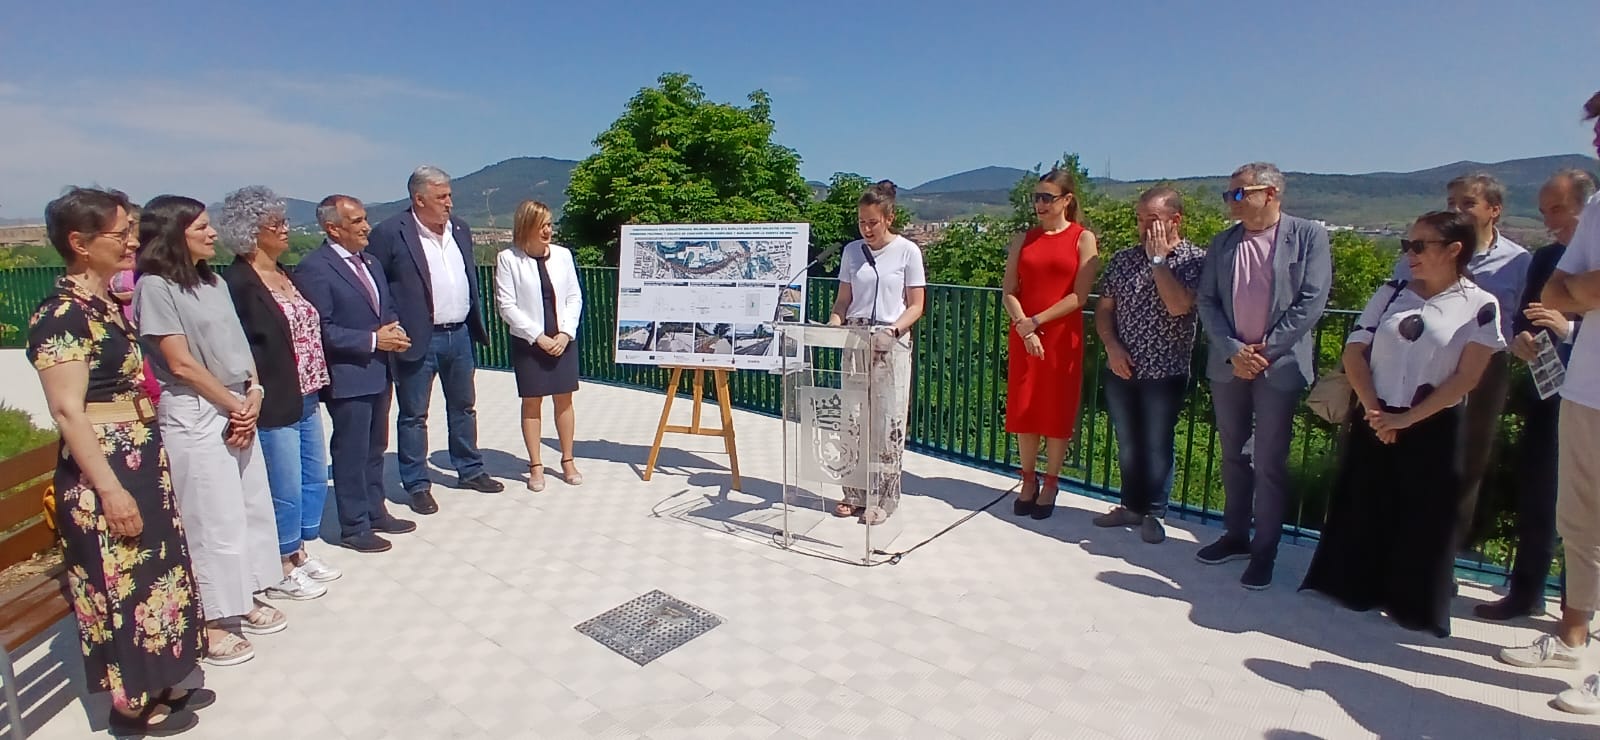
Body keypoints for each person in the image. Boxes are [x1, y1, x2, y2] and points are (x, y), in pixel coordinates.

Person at [28, 187, 208, 736]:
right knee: (119, 582)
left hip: (140, 459)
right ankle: (128, 704)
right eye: (120, 233)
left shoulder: (106, 303)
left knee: (155, 572)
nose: (133, 241)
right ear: (80, 243)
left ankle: (161, 673)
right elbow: (68, 410)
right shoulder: (60, 315)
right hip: (103, 469)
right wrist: (109, 488)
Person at [1300, 211, 1504, 636]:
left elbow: (1468, 377)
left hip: (1434, 422)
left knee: (1425, 515)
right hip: (1376, 415)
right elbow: (1355, 350)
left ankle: (1412, 603)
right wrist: (1376, 410)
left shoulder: (1480, 306)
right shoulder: (1392, 292)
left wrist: (1408, 418)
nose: (1410, 254)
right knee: (1367, 501)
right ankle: (1355, 587)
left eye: (1420, 245)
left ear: (1454, 250)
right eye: (1407, 245)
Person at [134, 195, 282, 667]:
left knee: (249, 506)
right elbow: (179, 362)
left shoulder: (212, 281)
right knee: (210, 517)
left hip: (238, 400)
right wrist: (233, 405)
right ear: (173, 234)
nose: (212, 233)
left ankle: (244, 595)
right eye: (200, 227)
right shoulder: (155, 287)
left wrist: (252, 394)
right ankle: (212, 619)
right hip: (197, 410)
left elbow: (239, 344)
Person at [1500, 91, 1600, 715]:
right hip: (1586, 390)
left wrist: (1579, 292)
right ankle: (1571, 636)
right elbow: (1561, 288)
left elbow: (1575, 290)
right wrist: (1579, 292)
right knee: (1580, 524)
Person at [1194, 162, 1332, 590]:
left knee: (1269, 461)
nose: (1230, 201)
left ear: (1269, 194)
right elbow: (1207, 301)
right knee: (1233, 455)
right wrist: (1235, 351)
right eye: (1228, 194)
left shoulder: (1308, 235)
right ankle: (1235, 535)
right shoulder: (1224, 243)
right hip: (1229, 364)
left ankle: (1265, 549)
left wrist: (1264, 352)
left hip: (1279, 366)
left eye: (1238, 193)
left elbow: (1311, 301)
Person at [1477, 169, 1594, 621]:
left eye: (1558, 210)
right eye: (1545, 212)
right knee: (1540, 496)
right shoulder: (1545, 260)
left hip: (1594, 396)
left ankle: (1580, 610)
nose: (1550, 223)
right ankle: (1526, 593)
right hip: (1549, 393)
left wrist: (1571, 329)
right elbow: (1527, 319)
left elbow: (1571, 324)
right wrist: (1523, 343)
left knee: (1590, 512)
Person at [1391, 173, 1529, 550]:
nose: (1456, 209)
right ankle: (1400, 551)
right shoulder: (1418, 253)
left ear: (1493, 211)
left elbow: (1520, 319)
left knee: (1468, 463)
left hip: (1484, 370)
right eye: (1451, 201)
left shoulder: (1518, 262)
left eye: (1467, 202)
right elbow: (1394, 304)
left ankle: (1442, 558)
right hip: (1423, 364)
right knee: (1413, 452)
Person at [219, 186, 342, 600]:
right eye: (277, 224)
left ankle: (299, 551)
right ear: (252, 232)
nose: (286, 229)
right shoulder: (238, 282)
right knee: (283, 486)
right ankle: (279, 564)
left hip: (307, 392)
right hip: (274, 398)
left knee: (311, 475)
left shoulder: (284, 272)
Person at [366, 165, 504, 515]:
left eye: (450, 195)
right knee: (414, 414)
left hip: (458, 333)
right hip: (417, 339)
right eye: (441, 197)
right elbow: (377, 282)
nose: (449, 202)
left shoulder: (459, 229)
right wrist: (390, 322)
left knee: (463, 406)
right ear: (419, 199)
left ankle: (469, 468)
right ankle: (416, 483)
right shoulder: (391, 232)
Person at [294, 195, 416, 554]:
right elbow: (322, 329)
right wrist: (374, 339)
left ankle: (375, 509)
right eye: (357, 221)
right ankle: (353, 525)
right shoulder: (315, 268)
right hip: (349, 375)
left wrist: (393, 331)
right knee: (351, 450)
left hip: (379, 369)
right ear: (333, 228)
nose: (366, 227)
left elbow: (385, 306)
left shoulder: (372, 262)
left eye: (365, 219)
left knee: (376, 446)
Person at [1092, 187, 1205, 542]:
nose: (1143, 227)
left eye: (1151, 220)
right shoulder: (1124, 259)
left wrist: (1158, 261)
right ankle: (1130, 506)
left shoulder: (1193, 260)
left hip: (1166, 370)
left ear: (1176, 220)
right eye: (1140, 219)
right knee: (1128, 441)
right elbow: (1104, 310)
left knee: (1157, 443)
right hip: (1122, 366)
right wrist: (1111, 346)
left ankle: (1154, 513)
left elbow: (1178, 306)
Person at [1001, 169, 1100, 520]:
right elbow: (1009, 291)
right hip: (1025, 335)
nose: (1040, 204)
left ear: (1066, 200)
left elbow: (1080, 295)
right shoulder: (1023, 239)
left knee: (1056, 410)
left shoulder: (1082, 238)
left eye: (1047, 197)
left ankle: (1052, 482)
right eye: (1036, 198)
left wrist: (1038, 322)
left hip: (1060, 336)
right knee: (1025, 409)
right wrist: (1024, 328)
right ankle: (1028, 479)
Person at [825, 180, 926, 523]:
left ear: (888, 218)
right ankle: (853, 492)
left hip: (890, 341)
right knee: (851, 419)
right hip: (855, 338)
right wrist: (834, 324)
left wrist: (893, 330)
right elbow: (844, 298)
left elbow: (916, 305)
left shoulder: (908, 251)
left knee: (887, 421)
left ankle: (883, 499)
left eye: (872, 222)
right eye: (861, 222)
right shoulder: (852, 252)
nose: (866, 229)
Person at [494, 200, 584, 491]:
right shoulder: (508, 259)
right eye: (542, 225)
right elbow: (506, 306)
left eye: (549, 224)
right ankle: (535, 465)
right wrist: (538, 336)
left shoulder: (563, 256)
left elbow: (574, 296)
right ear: (527, 227)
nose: (548, 230)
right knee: (532, 402)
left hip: (561, 340)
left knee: (564, 399)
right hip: (529, 342)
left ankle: (567, 460)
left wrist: (565, 333)